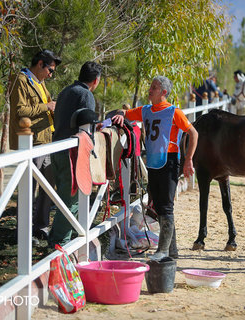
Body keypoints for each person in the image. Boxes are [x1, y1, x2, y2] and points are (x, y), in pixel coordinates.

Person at [111, 76, 198, 261]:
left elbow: (193, 133)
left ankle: (164, 251)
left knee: (166, 207)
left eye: (154, 87)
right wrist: (120, 114)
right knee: (159, 206)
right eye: (150, 86)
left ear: (164, 92)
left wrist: (189, 159)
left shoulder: (174, 112)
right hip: (152, 163)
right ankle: (171, 250)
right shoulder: (146, 110)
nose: (150, 90)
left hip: (169, 162)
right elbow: (125, 112)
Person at [9, 49, 61, 245]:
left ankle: (41, 227)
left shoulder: (40, 83)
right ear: (40, 64)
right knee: (28, 189)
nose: (51, 74)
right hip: (32, 143)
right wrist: (46, 107)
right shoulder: (21, 80)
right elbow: (19, 110)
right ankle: (23, 232)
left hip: (46, 141)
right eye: (50, 69)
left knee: (48, 187)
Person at [48, 61, 102, 248]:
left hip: (57, 147)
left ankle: (56, 239)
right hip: (72, 153)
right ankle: (59, 244)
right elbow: (85, 130)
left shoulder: (65, 91)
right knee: (71, 201)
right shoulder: (86, 95)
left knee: (64, 199)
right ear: (96, 80)